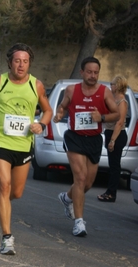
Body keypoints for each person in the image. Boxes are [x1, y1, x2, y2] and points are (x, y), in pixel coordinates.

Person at [0, 43, 52, 255]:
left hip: (24, 144)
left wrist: (42, 124)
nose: (21, 65)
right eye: (17, 60)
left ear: (29, 64)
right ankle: (7, 238)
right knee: (5, 186)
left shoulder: (36, 86)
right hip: (0, 141)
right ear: (10, 62)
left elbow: (47, 111)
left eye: (25, 61)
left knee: (15, 193)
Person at [54, 56, 119, 237]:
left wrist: (102, 118)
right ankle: (79, 222)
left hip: (94, 140)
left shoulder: (104, 92)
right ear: (82, 72)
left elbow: (116, 114)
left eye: (96, 72)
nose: (92, 75)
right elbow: (62, 107)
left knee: (88, 183)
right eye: (89, 72)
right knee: (80, 178)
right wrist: (59, 115)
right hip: (74, 137)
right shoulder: (71, 90)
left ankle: (67, 198)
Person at [97, 75, 128, 203]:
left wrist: (113, 140)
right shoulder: (113, 100)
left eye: (113, 84)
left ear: (118, 86)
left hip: (117, 135)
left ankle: (111, 193)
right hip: (110, 133)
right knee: (112, 165)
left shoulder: (122, 102)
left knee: (115, 166)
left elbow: (119, 122)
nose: (111, 85)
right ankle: (109, 191)